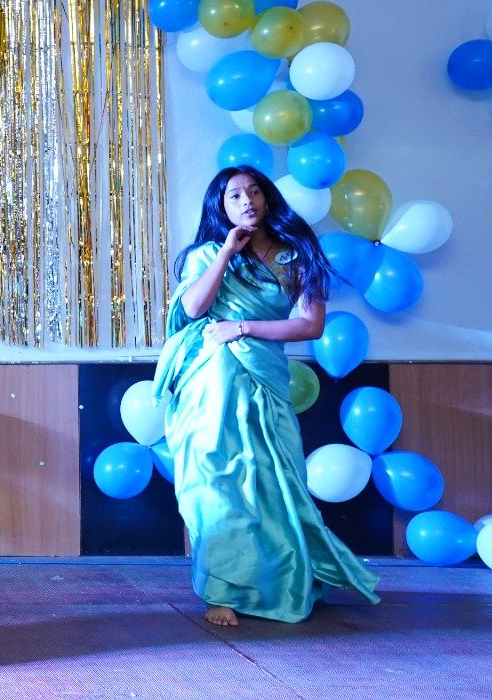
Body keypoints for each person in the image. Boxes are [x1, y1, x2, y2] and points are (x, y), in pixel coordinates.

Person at [154, 165, 380, 626]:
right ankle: (223, 590)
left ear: (268, 198)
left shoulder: (296, 254)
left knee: (275, 482)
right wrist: (226, 252)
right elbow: (193, 308)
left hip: (266, 380)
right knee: (219, 480)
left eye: (254, 191)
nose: (247, 201)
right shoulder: (205, 254)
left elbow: (310, 325)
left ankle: (289, 580)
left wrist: (242, 327)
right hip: (211, 384)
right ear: (220, 206)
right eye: (235, 195)